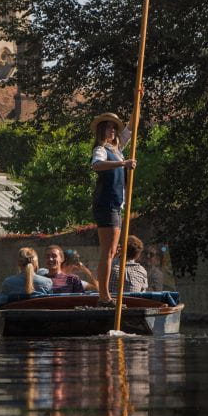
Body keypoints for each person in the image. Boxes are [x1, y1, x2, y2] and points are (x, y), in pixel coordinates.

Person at [89, 112, 135, 306]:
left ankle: (105, 295)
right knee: (108, 251)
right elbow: (97, 165)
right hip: (106, 204)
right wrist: (123, 163)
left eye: (114, 127)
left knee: (112, 251)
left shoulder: (118, 149)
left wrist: (137, 99)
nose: (113, 130)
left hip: (115, 204)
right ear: (102, 131)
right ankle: (104, 296)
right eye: (109, 127)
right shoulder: (101, 149)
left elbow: (131, 128)